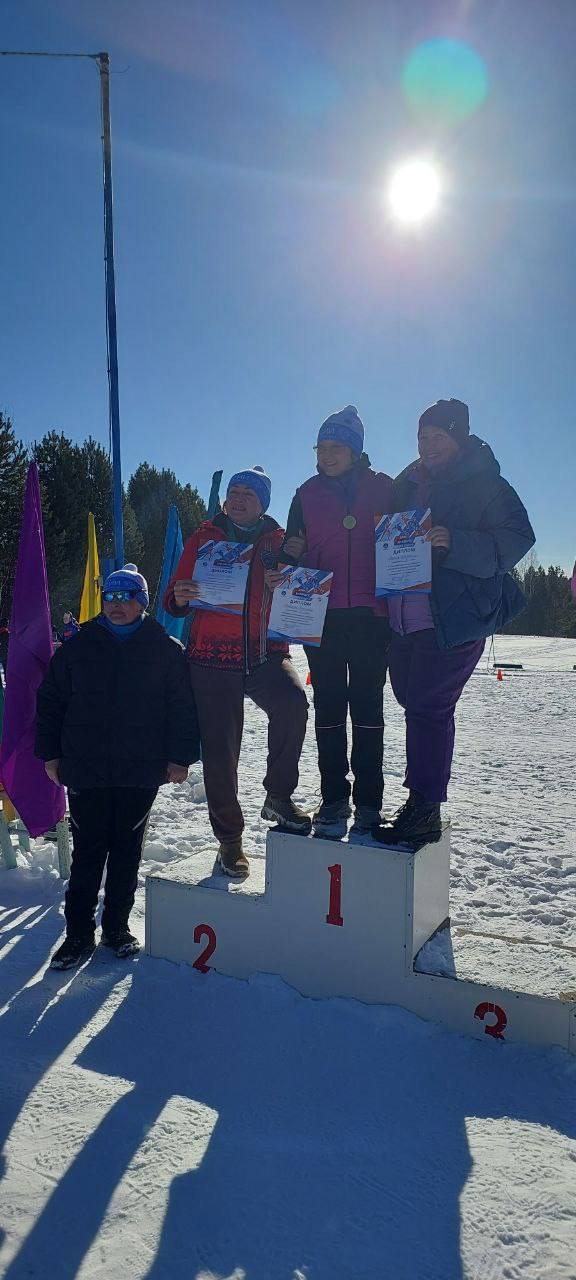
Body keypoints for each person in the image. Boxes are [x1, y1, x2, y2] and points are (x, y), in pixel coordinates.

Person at [373, 399, 535, 846]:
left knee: (428, 706)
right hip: (404, 616)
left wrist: (456, 541)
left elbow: (518, 539)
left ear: (458, 438)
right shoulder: (408, 482)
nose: (427, 445)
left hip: (455, 619)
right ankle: (422, 800)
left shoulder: (486, 483)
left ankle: (425, 807)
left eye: (437, 437)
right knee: (411, 698)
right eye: (422, 437)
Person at [35, 563, 200, 969]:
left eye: (127, 597)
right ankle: (77, 936)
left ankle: (116, 929)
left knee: (126, 851)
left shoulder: (165, 649)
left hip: (140, 769)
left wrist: (180, 757)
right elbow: (50, 702)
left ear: (142, 602)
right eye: (110, 596)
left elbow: (182, 708)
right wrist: (50, 754)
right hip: (85, 767)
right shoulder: (77, 647)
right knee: (88, 853)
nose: (116, 604)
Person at [163, 467, 310, 878]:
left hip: (264, 653)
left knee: (293, 703)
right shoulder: (204, 537)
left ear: (263, 502)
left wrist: (291, 578)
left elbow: (305, 591)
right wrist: (180, 595)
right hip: (211, 656)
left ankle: (278, 796)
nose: (239, 498)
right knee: (220, 750)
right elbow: (173, 597)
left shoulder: (280, 541)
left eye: (249, 493)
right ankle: (229, 840)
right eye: (234, 491)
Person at [278, 407, 393, 837]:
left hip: (370, 616)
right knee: (328, 706)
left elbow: (407, 538)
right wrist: (284, 562)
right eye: (321, 447)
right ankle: (333, 798)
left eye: (336, 447)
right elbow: (292, 548)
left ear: (355, 451)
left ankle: (369, 802)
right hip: (320, 615)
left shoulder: (385, 488)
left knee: (368, 707)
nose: (327, 455)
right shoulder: (305, 493)